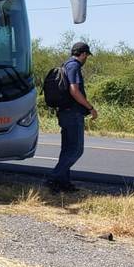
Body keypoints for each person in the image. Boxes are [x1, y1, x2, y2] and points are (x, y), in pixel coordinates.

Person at [47, 42, 97, 192]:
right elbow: (74, 91)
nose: (86, 58)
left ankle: (63, 183)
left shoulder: (65, 64)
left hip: (64, 112)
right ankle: (54, 178)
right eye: (86, 55)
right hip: (73, 113)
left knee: (67, 149)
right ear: (82, 54)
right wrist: (90, 108)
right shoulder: (74, 66)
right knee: (76, 150)